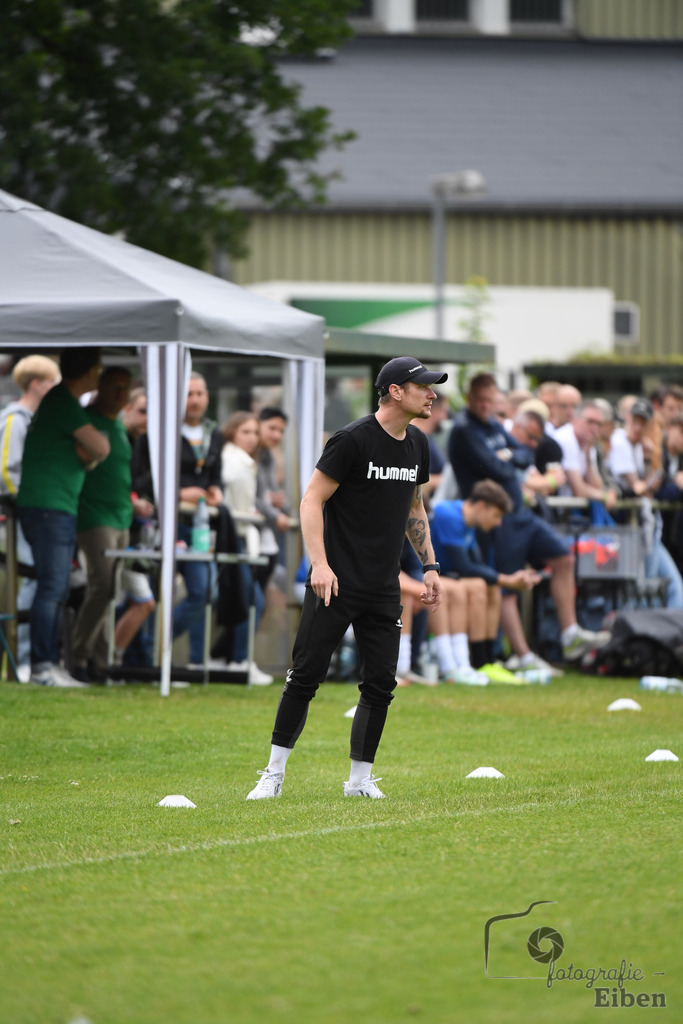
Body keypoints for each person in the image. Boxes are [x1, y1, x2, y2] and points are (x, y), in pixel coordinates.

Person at [246, 355, 447, 801]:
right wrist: (320, 564)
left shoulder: (417, 443)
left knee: (380, 683)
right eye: (424, 386)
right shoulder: (352, 439)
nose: (432, 394)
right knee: (305, 676)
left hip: (383, 586)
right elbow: (310, 501)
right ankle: (273, 774)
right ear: (395, 391)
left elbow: (415, 509)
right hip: (334, 581)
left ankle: (359, 781)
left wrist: (429, 566)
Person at [448, 373, 611, 665]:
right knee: (508, 585)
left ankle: (570, 632)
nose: (486, 406)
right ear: (471, 399)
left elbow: (525, 455)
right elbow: (497, 468)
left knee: (564, 558)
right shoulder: (463, 429)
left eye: (490, 400)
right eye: (481, 400)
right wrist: (508, 459)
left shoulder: (494, 427)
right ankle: (522, 655)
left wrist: (507, 457)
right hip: (496, 517)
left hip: (522, 513)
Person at [16, 347, 110, 688]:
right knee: (52, 585)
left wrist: (88, 454)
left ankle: (47, 664)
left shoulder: (61, 402)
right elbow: (100, 448)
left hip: (54, 504)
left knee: (54, 585)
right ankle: (43, 666)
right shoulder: (64, 401)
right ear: (88, 372)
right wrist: (90, 454)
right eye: (98, 370)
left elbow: (90, 451)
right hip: (49, 506)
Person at [71, 368, 156, 682]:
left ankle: (99, 661)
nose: (119, 394)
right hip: (95, 517)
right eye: (114, 387)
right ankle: (78, 657)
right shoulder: (88, 419)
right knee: (102, 587)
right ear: (101, 388)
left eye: (124, 388)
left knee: (111, 593)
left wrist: (133, 503)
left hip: (122, 518)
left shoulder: (119, 427)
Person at [133, 371, 223, 665]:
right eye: (188, 394)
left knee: (203, 590)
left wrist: (215, 491)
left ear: (207, 396)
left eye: (200, 393)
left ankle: (158, 644)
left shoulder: (214, 432)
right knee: (151, 592)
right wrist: (177, 492)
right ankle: (143, 655)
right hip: (162, 523)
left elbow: (214, 476)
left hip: (199, 524)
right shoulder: (157, 432)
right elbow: (140, 480)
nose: (195, 400)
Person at [431, 480, 541, 681]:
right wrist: (507, 580)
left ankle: (489, 660)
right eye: (496, 515)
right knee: (481, 586)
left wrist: (504, 580)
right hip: (430, 578)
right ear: (481, 506)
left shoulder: (469, 521)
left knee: (491, 587)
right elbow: (465, 567)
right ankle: (478, 662)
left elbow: (477, 565)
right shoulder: (449, 515)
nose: (498, 522)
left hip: (448, 578)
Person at [0, 355, 61, 677]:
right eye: (53, 382)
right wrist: (24, 503)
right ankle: (22, 659)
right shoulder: (15, 418)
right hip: (22, 514)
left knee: (42, 580)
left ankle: (36, 656)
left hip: (39, 511)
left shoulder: (38, 420)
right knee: (31, 580)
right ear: (36, 384)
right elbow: (7, 470)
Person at [607, 397, 683, 609]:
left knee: (670, 586)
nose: (638, 427)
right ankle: (635, 636)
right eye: (635, 421)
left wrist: (650, 460)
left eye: (643, 423)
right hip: (629, 529)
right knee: (639, 588)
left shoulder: (645, 449)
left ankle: (667, 636)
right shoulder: (620, 441)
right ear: (628, 419)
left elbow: (648, 488)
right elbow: (641, 489)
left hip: (647, 529)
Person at [218, 411, 272, 685]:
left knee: (244, 600)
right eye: (245, 432)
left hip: (239, 536)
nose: (252, 438)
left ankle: (231, 659)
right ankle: (238, 661)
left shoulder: (244, 460)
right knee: (250, 600)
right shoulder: (233, 460)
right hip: (229, 537)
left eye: (254, 432)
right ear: (232, 433)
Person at [553, 400, 619, 510]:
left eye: (598, 424)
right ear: (575, 419)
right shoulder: (565, 439)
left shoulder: (588, 443)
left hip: (572, 512)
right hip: (559, 513)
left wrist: (588, 455)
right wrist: (605, 496)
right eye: (590, 422)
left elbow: (597, 486)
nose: (594, 428)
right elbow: (579, 490)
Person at [254, 406, 292, 592]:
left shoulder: (267, 454)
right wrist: (275, 513)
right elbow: (253, 497)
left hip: (265, 535)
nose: (277, 435)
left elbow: (274, 495)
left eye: (281, 431)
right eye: (272, 428)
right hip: (250, 535)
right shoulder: (247, 453)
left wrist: (278, 502)